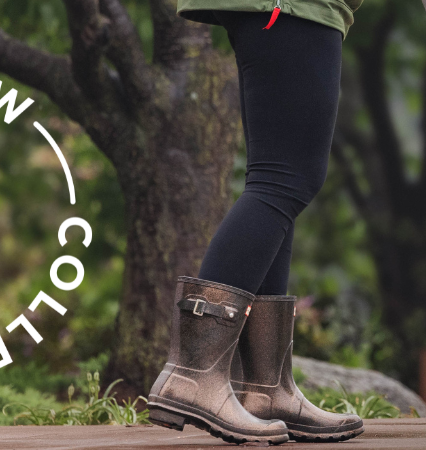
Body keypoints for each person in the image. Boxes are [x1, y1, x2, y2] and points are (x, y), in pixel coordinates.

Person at [143, 0, 364, 445]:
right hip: (292, 6)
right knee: (285, 180)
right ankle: (193, 375)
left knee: (278, 180)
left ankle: (267, 389)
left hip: (285, 8)